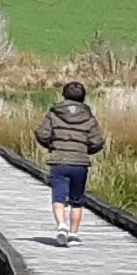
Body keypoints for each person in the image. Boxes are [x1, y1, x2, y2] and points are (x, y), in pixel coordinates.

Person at [37, 80, 106, 243]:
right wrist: (86, 150)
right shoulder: (89, 117)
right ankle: (74, 234)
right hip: (80, 163)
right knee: (77, 199)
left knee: (58, 196)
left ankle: (62, 225)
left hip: (59, 161)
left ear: (63, 95)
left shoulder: (54, 114)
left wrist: (51, 145)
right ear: (83, 98)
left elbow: (42, 134)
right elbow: (97, 141)